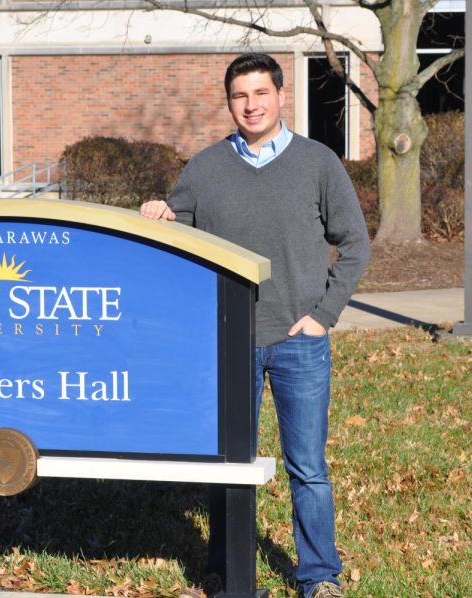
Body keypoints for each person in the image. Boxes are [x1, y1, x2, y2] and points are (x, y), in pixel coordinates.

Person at [140, 52, 370, 598]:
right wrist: (159, 215)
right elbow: (181, 242)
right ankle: (228, 571)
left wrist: (323, 316)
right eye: (240, 96)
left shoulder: (318, 163)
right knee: (226, 466)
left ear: (280, 96)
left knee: (308, 468)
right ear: (230, 102)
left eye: (260, 93)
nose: (251, 105)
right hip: (227, 344)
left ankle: (319, 576)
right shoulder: (205, 168)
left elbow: (355, 245)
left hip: (298, 342)